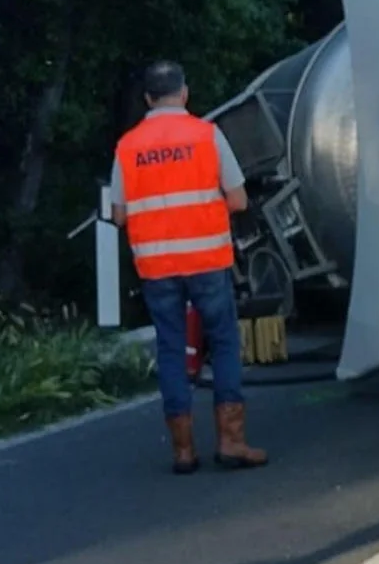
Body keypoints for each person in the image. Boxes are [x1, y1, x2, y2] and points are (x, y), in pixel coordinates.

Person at [110, 59, 268, 474]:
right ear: (184, 93)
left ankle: (183, 449)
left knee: (170, 349)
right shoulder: (207, 136)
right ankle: (231, 441)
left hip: (157, 267)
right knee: (224, 344)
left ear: (148, 99)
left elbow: (120, 214)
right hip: (207, 261)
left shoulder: (128, 147)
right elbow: (238, 201)